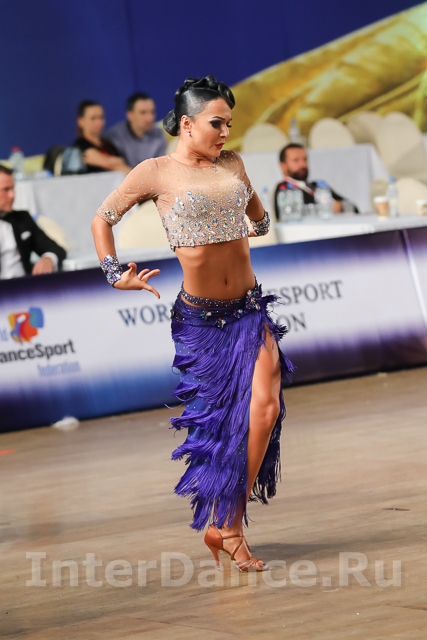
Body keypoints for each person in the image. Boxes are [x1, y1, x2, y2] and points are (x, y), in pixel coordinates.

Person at [91, 76, 293, 572]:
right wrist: (115, 274)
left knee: (265, 409)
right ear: (187, 123)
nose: (225, 132)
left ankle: (229, 522)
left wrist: (249, 219)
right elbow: (103, 218)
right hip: (201, 321)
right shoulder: (156, 172)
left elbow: (259, 220)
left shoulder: (233, 164)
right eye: (216, 123)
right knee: (220, 427)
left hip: (249, 308)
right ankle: (225, 527)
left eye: (229, 124)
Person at [0, 165, 66, 279]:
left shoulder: (22, 218)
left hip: (25, 286)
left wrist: (48, 260)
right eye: (6, 189)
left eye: (13, 189)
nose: (12, 195)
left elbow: (54, 248)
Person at [274, 143, 358, 219]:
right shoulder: (283, 188)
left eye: (305, 159)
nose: (302, 164)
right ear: (283, 166)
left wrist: (341, 207)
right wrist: (327, 208)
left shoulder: (319, 185)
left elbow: (354, 207)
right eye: (296, 160)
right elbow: (286, 215)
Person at [105, 92, 167, 168]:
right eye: (143, 112)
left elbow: (160, 167)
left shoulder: (159, 134)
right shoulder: (114, 136)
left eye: (152, 112)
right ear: (129, 115)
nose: (149, 118)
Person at [73, 101, 131, 174]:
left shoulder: (108, 144)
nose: (98, 122)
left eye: (101, 117)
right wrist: (114, 161)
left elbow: (119, 163)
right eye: (93, 118)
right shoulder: (80, 145)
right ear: (81, 121)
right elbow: (109, 164)